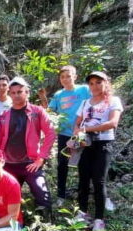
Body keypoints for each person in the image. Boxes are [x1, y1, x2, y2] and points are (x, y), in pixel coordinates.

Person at [0, 77, 56, 219]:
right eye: (13, 92)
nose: (17, 95)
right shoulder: (4, 115)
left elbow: (50, 133)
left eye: (20, 92)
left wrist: (41, 159)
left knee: (42, 195)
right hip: (9, 165)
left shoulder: (37, 111)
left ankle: (44, 229)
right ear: (9, 94)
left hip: (30, 163)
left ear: (27, 92)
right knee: (6, 198)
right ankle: (13, 226)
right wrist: (0, 160)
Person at [73, 71, 123, 231]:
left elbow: (113, 123)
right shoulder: (85, 102)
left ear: (106, 83)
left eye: (98, 82)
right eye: (92, 83)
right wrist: (77, 133)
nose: (94, 86)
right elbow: (77, 122)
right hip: (85, 145)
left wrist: (88, 129)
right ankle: (82, 213)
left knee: (99, 181)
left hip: (103, 144)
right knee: (83, 179)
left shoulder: (113, 101)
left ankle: (99, 219)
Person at [39, 66, 91, 205]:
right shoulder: (58, 95)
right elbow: (48, 112)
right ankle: (61, 196)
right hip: (64, 134)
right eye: (62, 77)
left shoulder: (84, 90)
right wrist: (43, 99)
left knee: (84, 165)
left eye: (68, 76)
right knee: (62, 165)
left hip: (82, 133)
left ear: (75, 76)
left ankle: (83, 196)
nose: (66, 79)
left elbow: (93, 105)